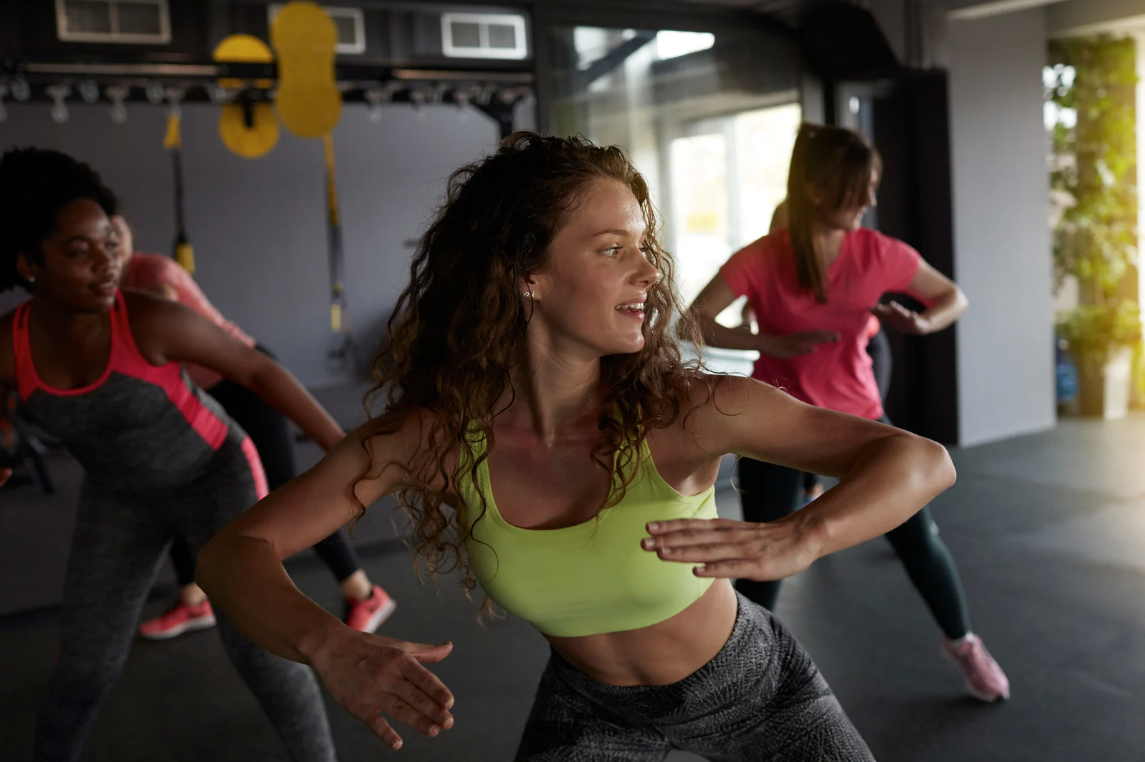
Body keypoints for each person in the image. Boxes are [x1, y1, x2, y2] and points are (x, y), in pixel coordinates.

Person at [198, 131, 960, 759]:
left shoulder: (688, 409)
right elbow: (234, 552)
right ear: (525, 272)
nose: (649, 270)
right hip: (590, 716)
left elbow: (922, 460)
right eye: (611, 249)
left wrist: (802, 534)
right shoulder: (433, 440)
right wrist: (327, 645)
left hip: (753, 692)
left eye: (644, 245)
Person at [0, 146, 337, 761]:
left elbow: (259, 371)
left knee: (261, 656)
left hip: (215, 479)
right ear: (28, 264)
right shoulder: (9, 345)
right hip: (118, 498)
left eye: (109, 243)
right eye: (79, 250)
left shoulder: (148, 318)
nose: (107, 262)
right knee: (84, 667)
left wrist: (347, 451)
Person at [691, 122, 1009, 703]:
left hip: (857, 420)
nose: (869, 199)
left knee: (918, 540)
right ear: (816, 190)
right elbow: (695, 321)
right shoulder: (763, 257)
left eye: (872, 185)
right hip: (775, 426)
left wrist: (923, 322)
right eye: (858, 187)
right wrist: (769, 342)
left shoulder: (878, 253)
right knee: (763, 560)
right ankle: (738, 676)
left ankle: (963, 642)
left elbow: (951, 296)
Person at [102, 205, 395, 640]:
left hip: (243, 382)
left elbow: (161, 310)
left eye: (114, 236)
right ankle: (193, 601)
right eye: (98, 241)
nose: (109, 248)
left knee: (287, 490)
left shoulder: (152, 272)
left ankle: (363, 592)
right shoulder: (108, 287)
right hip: (198, 394)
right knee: (174, 487)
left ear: (129, 231)